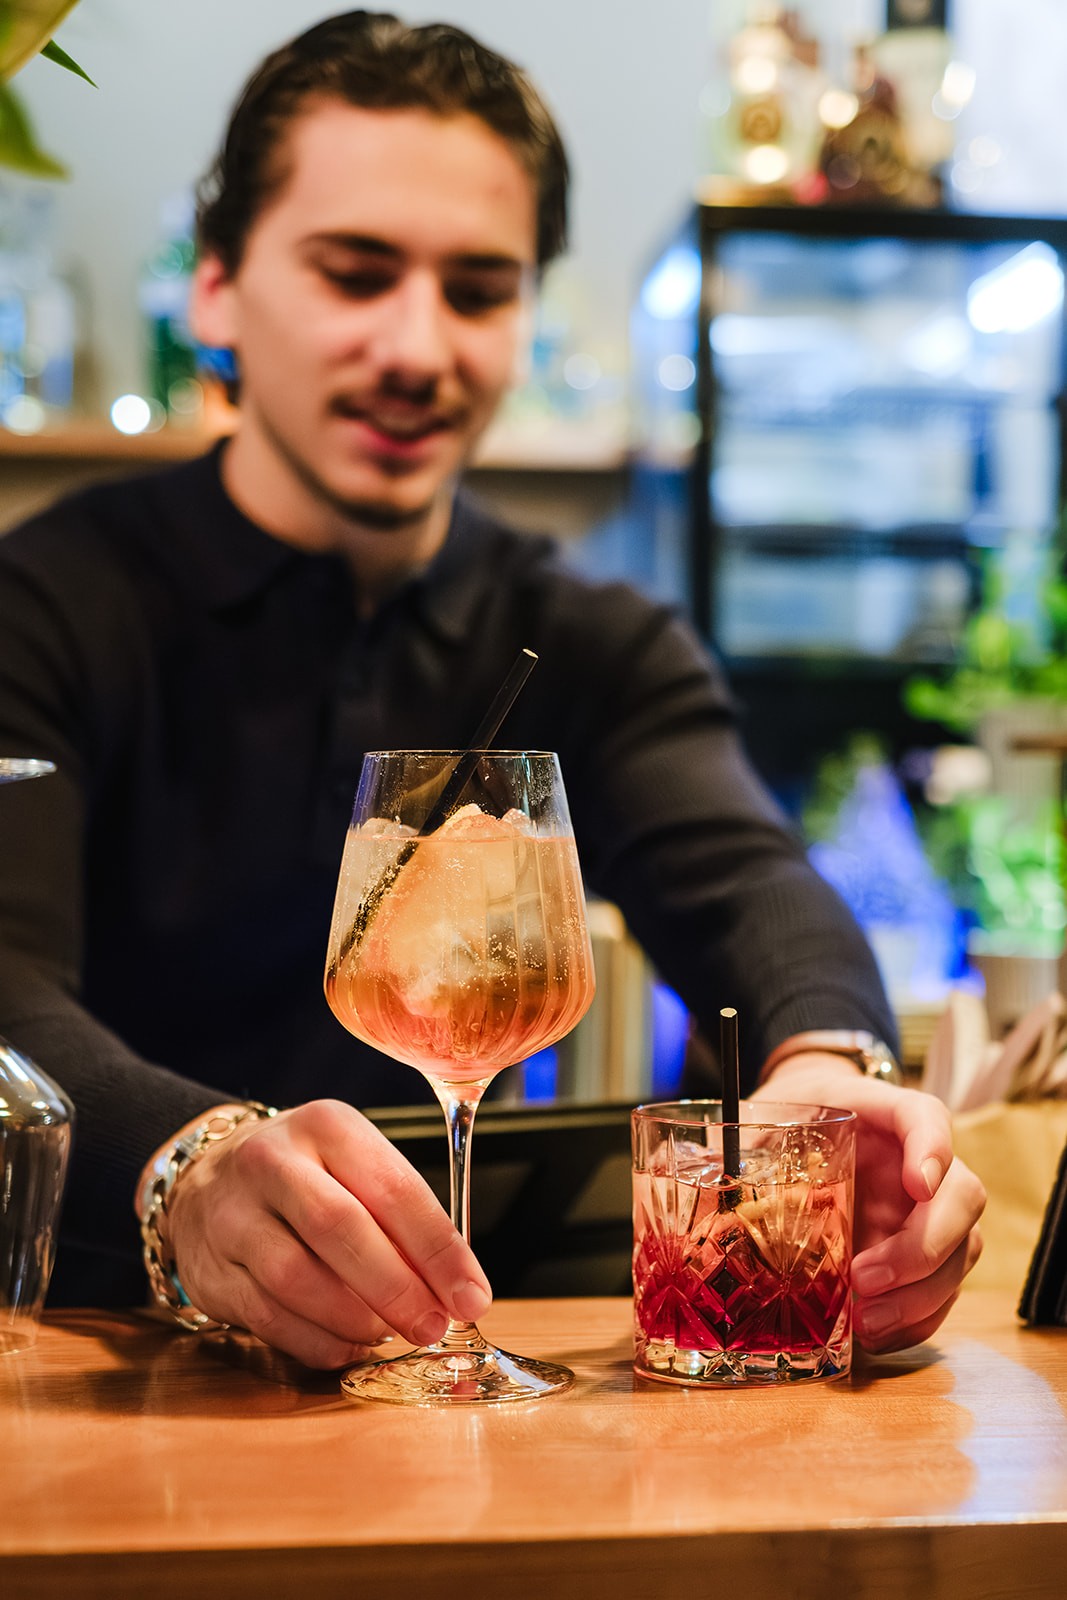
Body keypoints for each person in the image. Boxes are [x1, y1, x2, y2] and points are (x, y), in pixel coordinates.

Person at [0, 11, 983, 1368]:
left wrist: (832, 1071)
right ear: (215, 289)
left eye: (477, 290)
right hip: (85, 1356)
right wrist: (192, 1167)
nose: (420, 347)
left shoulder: (585, 635)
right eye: (355, 274)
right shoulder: (46, 604)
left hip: (459, 1363)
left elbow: (750, 881)